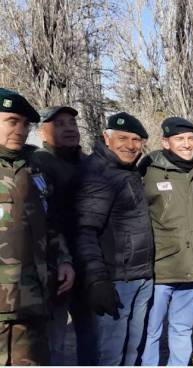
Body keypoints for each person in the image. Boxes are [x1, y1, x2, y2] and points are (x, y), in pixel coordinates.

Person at [75, 112, 154, 365]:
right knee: (110, 355)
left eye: (136, 139)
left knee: (132, 351)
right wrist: (97, 280)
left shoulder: (129, 171)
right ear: (106, 139)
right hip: (116, 281)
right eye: (122, 138)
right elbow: (85, 231)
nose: (130, 145)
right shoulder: (98, 174)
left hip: (140, 276)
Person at [0, 88, 72, 365]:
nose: (20, 130)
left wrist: (64, 260)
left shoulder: (35, 168)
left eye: (25, 124)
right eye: (12, 122)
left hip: (33, 299)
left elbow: (51, 222)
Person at [140, 117, 193, 365]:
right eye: (180, 139)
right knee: (150, 331)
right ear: (165, 142)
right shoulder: (148, 173)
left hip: (191, 271)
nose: (186, 144)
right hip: (160, 271)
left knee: (182, 330)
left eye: (191, 139)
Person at [31, 106, 88, 365]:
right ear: (43, 131)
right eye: (60, 124)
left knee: (90, 337)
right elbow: (45, 218)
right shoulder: (39, 163)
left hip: (88, 265)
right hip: (56, 268)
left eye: (72, 123)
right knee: (55, 342)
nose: (69, 128)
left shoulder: (85, 162)